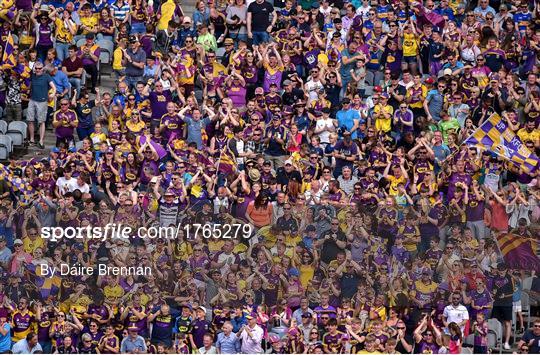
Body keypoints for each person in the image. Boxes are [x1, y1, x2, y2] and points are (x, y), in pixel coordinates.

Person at [27, 62, 56, 149]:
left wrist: (53, 94)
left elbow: (54, 87)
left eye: (39, 68)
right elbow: (30, 85)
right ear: (34, 68)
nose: (38, 70)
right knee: (30, 120)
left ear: (42, 69)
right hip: (32, 100)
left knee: (41, 121)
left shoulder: (46, 76)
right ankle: (32, 139)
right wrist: (28, 90)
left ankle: (41, 141)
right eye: (36, 68)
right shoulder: (33, 75)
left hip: (42, 101)